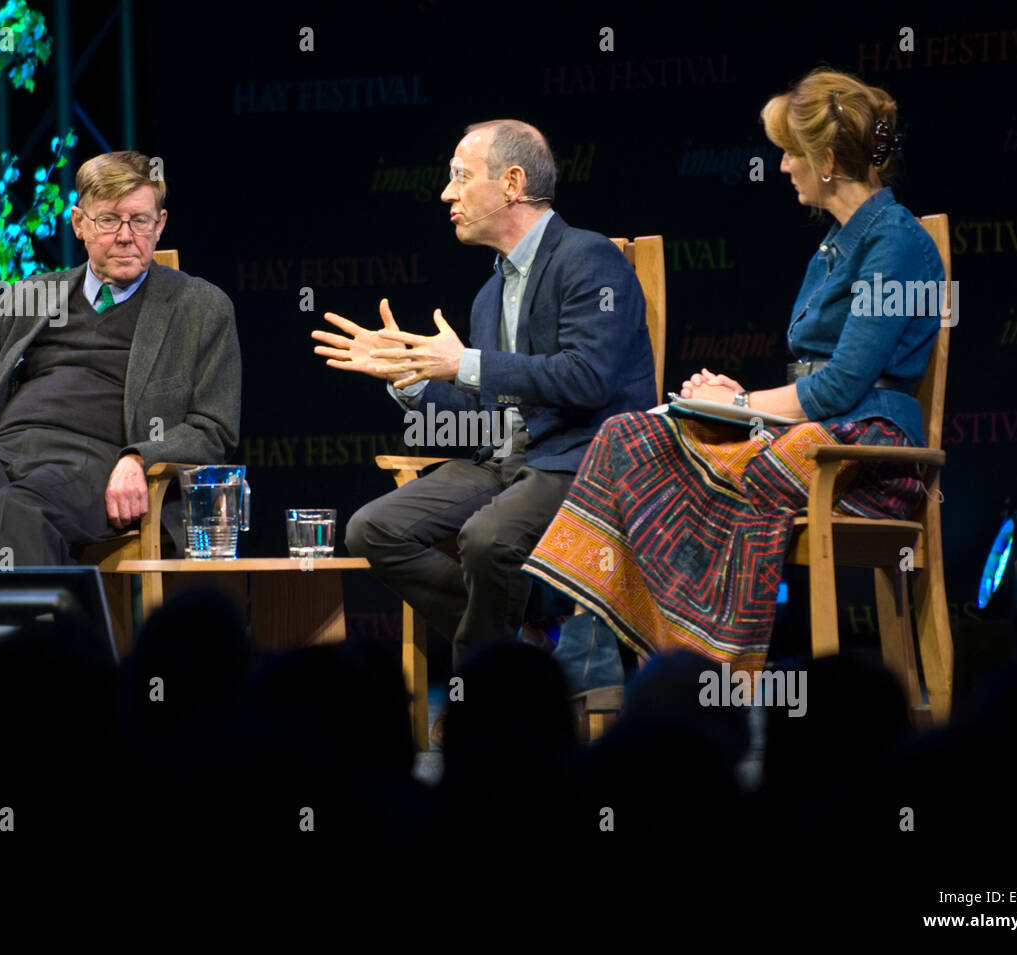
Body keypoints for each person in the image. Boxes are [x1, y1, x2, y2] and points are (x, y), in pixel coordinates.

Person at [525, 69, 943, 678]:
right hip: (811, 434)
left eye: (789, 153)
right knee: (629, 437)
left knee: (753, 470)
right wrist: (723, 406)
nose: (781, 167)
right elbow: (812, 384)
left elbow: (842, 388)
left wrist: (740, 402)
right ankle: (615, 651)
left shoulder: (895, 244)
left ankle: (707, 666)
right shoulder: (836, 243)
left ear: (824, 160)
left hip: (871, 451)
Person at [312, 119, 656, 684]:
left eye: (460, 177)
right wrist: (413, 379)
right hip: (507, 460)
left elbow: (588, 379)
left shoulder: (589, 259)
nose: (446, 194)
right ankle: (520, 642)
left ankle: (493, 688)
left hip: (582, 459)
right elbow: (483, 424)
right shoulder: (489, 293)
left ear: (512, 183)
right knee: (372, 528)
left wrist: (465, 364)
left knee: (486, 539)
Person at [0, 151, 242, 662]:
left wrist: (139, 456)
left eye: (139, 221)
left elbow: (214, 429)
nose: (126, 236)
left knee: (16, 509)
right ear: (79, 223)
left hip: (95, 460)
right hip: (5, 446)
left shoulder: (200, 306)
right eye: (108, 221)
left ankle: (51, 705)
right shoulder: (31, 296)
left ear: (159, 223)